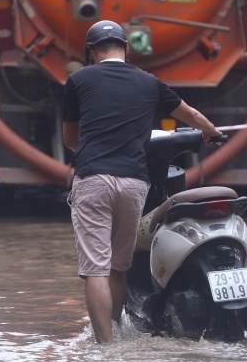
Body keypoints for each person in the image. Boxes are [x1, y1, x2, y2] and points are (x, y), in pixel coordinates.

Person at [62, 20, 222, 343]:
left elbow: (70, 140)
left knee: (96, 269)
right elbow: (188, 113)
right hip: (135, 184)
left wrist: (96, 149)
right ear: (126, 49)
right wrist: (211, 132)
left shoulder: (78, 80)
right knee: (119, 268)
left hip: (93, 179)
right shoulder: (149, 82)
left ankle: (105, 348)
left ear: (91, 53)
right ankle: (118, 333)